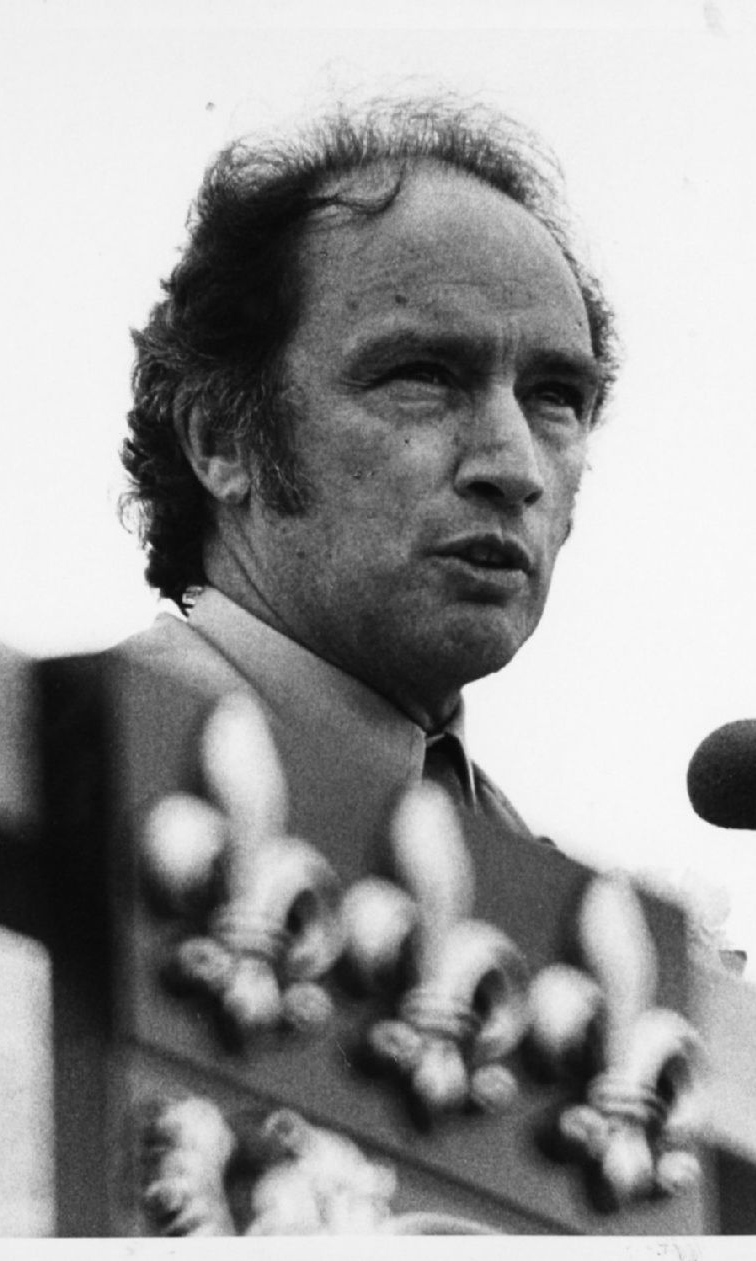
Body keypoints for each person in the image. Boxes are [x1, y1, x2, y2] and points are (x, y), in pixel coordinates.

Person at [119, 95, 619, 857]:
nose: (515, 468)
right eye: (422, 375)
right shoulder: (33, 773)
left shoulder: (532, 873)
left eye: (555, 397)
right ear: (222, 440)